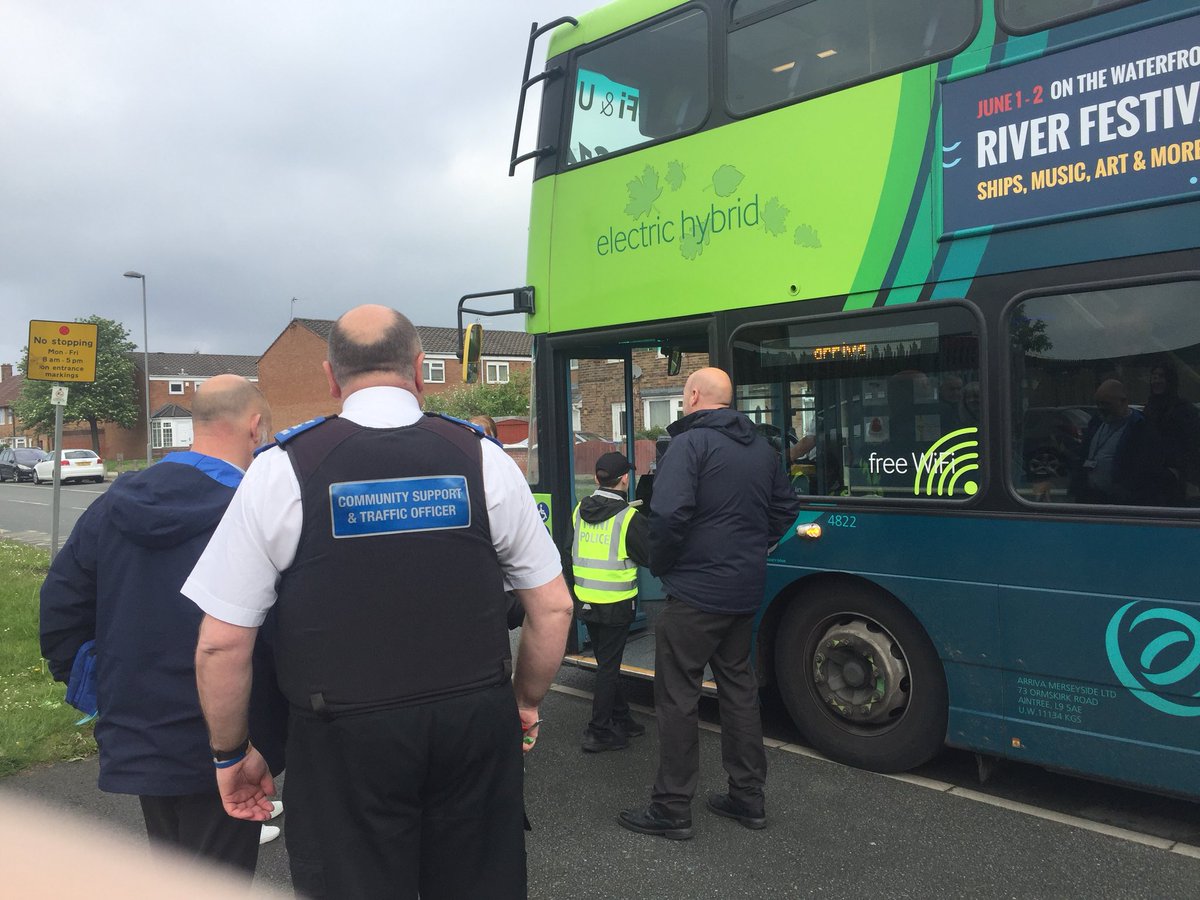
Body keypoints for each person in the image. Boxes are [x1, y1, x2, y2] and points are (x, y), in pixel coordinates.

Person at [182, 305, 573, 900]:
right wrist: (523, 701)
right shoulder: (484, 459)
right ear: (419, 368)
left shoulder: (282, 471)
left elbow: (220, 642)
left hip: (342, 741)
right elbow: (553, 608)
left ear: (330, 377)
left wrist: (230, 753)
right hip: (473, 725)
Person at [39, 375, 288, 874]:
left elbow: (60, 606)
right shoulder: (254, 509)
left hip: (141, 728)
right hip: (231, 732)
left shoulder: (113, 503)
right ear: (255, 428)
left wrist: (102, 690)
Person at [619, 367, 800, 840]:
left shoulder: (689, 445)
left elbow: (670, 513)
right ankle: (747, 798)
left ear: (694, 395)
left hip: (696, 593)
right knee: (739, 688)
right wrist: (751, 548)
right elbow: (786, 509)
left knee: (677, 695)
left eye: (683, 394)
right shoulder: (762, 448)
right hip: (743, 590)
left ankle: (672, 808)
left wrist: (662, 563)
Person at [572, 450, 650, 753]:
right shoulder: (630, 517)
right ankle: (599, 731)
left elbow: (569, 549)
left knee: (607, 662)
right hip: (617, 604)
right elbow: (650, 557)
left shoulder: (579, 510)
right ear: (625, 480)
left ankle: (622, 717)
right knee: (608, 667)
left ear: (596, 478)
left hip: (586, 601)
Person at [1070, 378, 1168, 505]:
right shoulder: (1096, 422)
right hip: (1091, 498)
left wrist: (1125, 492)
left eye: (1106, 404)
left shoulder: (1141, 427)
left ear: (1123, 401)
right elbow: (1083, 455)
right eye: (1098, 403)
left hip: (1124, 502)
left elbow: (1145, 467)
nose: (1101, 408)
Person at [1144, 362, 1200, 503]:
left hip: (1176, 478)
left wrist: (1177, 471)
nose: (1156, 380)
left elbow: (1192, 445)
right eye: (1154, 376)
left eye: (1161, 376)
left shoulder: (1185, 410)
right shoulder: (1149, 408)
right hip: (1149, 476)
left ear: (1170, 380)